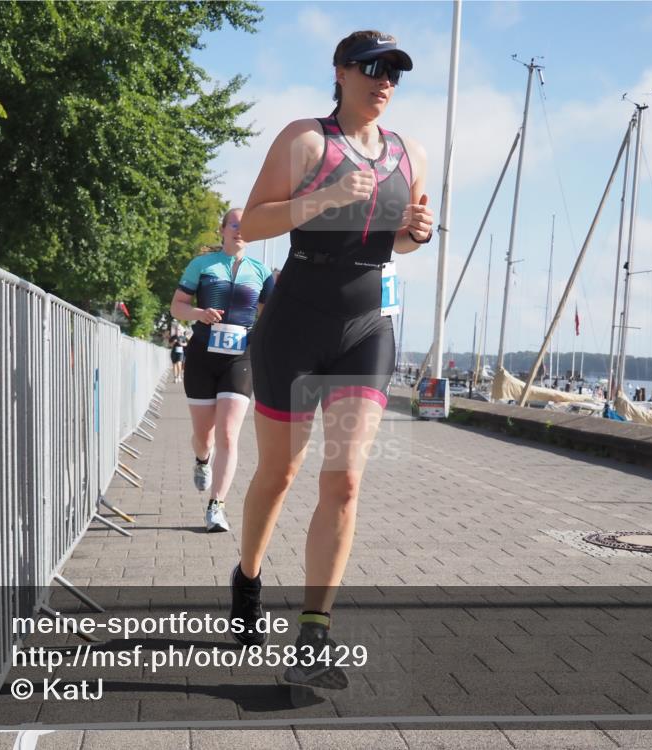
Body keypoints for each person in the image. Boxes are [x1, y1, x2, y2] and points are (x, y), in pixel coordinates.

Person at [228, 30, 433, 687]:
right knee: (279, 476)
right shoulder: (306, 140)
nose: (384, 81)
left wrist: (415, 236)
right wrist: (322, 199)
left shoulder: (410, 153)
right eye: (372, 68)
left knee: (343, 479)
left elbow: (398, 243)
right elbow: (250, 225)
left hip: (366, 327)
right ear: (340, 71)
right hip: (293, 324)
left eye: (394, 72)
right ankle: (249, 577)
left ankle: (313, 634)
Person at [170, 208, 275, 532]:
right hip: (201, 355)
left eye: (246, 226)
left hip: (239, 359)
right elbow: (177, 306)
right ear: (222, 230)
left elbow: (269, 315)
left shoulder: (261, 272)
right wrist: (199, 313)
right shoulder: (202, 266)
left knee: (229, 433)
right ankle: (202, 460)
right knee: (205, 437)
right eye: (234, 224)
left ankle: (217, 506)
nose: (240, 229)